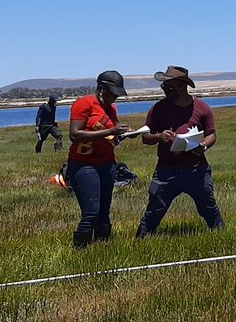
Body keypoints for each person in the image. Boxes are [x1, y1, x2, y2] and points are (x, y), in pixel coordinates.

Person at [136, 65, 224, 237]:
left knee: (209, 207)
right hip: (166, 170)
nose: (166, 89)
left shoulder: (202, 108)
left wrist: (203, 146)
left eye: (170, 86)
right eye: (164, 86)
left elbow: (211, 134)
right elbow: (145, 137)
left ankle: (222, 237)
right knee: (154, 211)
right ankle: (140, 241)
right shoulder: (158, 109)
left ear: (183, 85)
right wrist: (159, 136)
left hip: (196, 169)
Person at [66, 71, 130, 247]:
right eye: (112, 93)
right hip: (84, 165)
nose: (115, 98)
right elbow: (75, 134)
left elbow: (112, 137)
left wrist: (121, 135)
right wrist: (110, 132)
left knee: (104, 210)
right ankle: (80, 248)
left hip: (107, 164)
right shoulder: (84, 104)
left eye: (117, 94)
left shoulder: (112, 109)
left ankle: (103, 246)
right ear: (101, 88)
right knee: (91, 211)